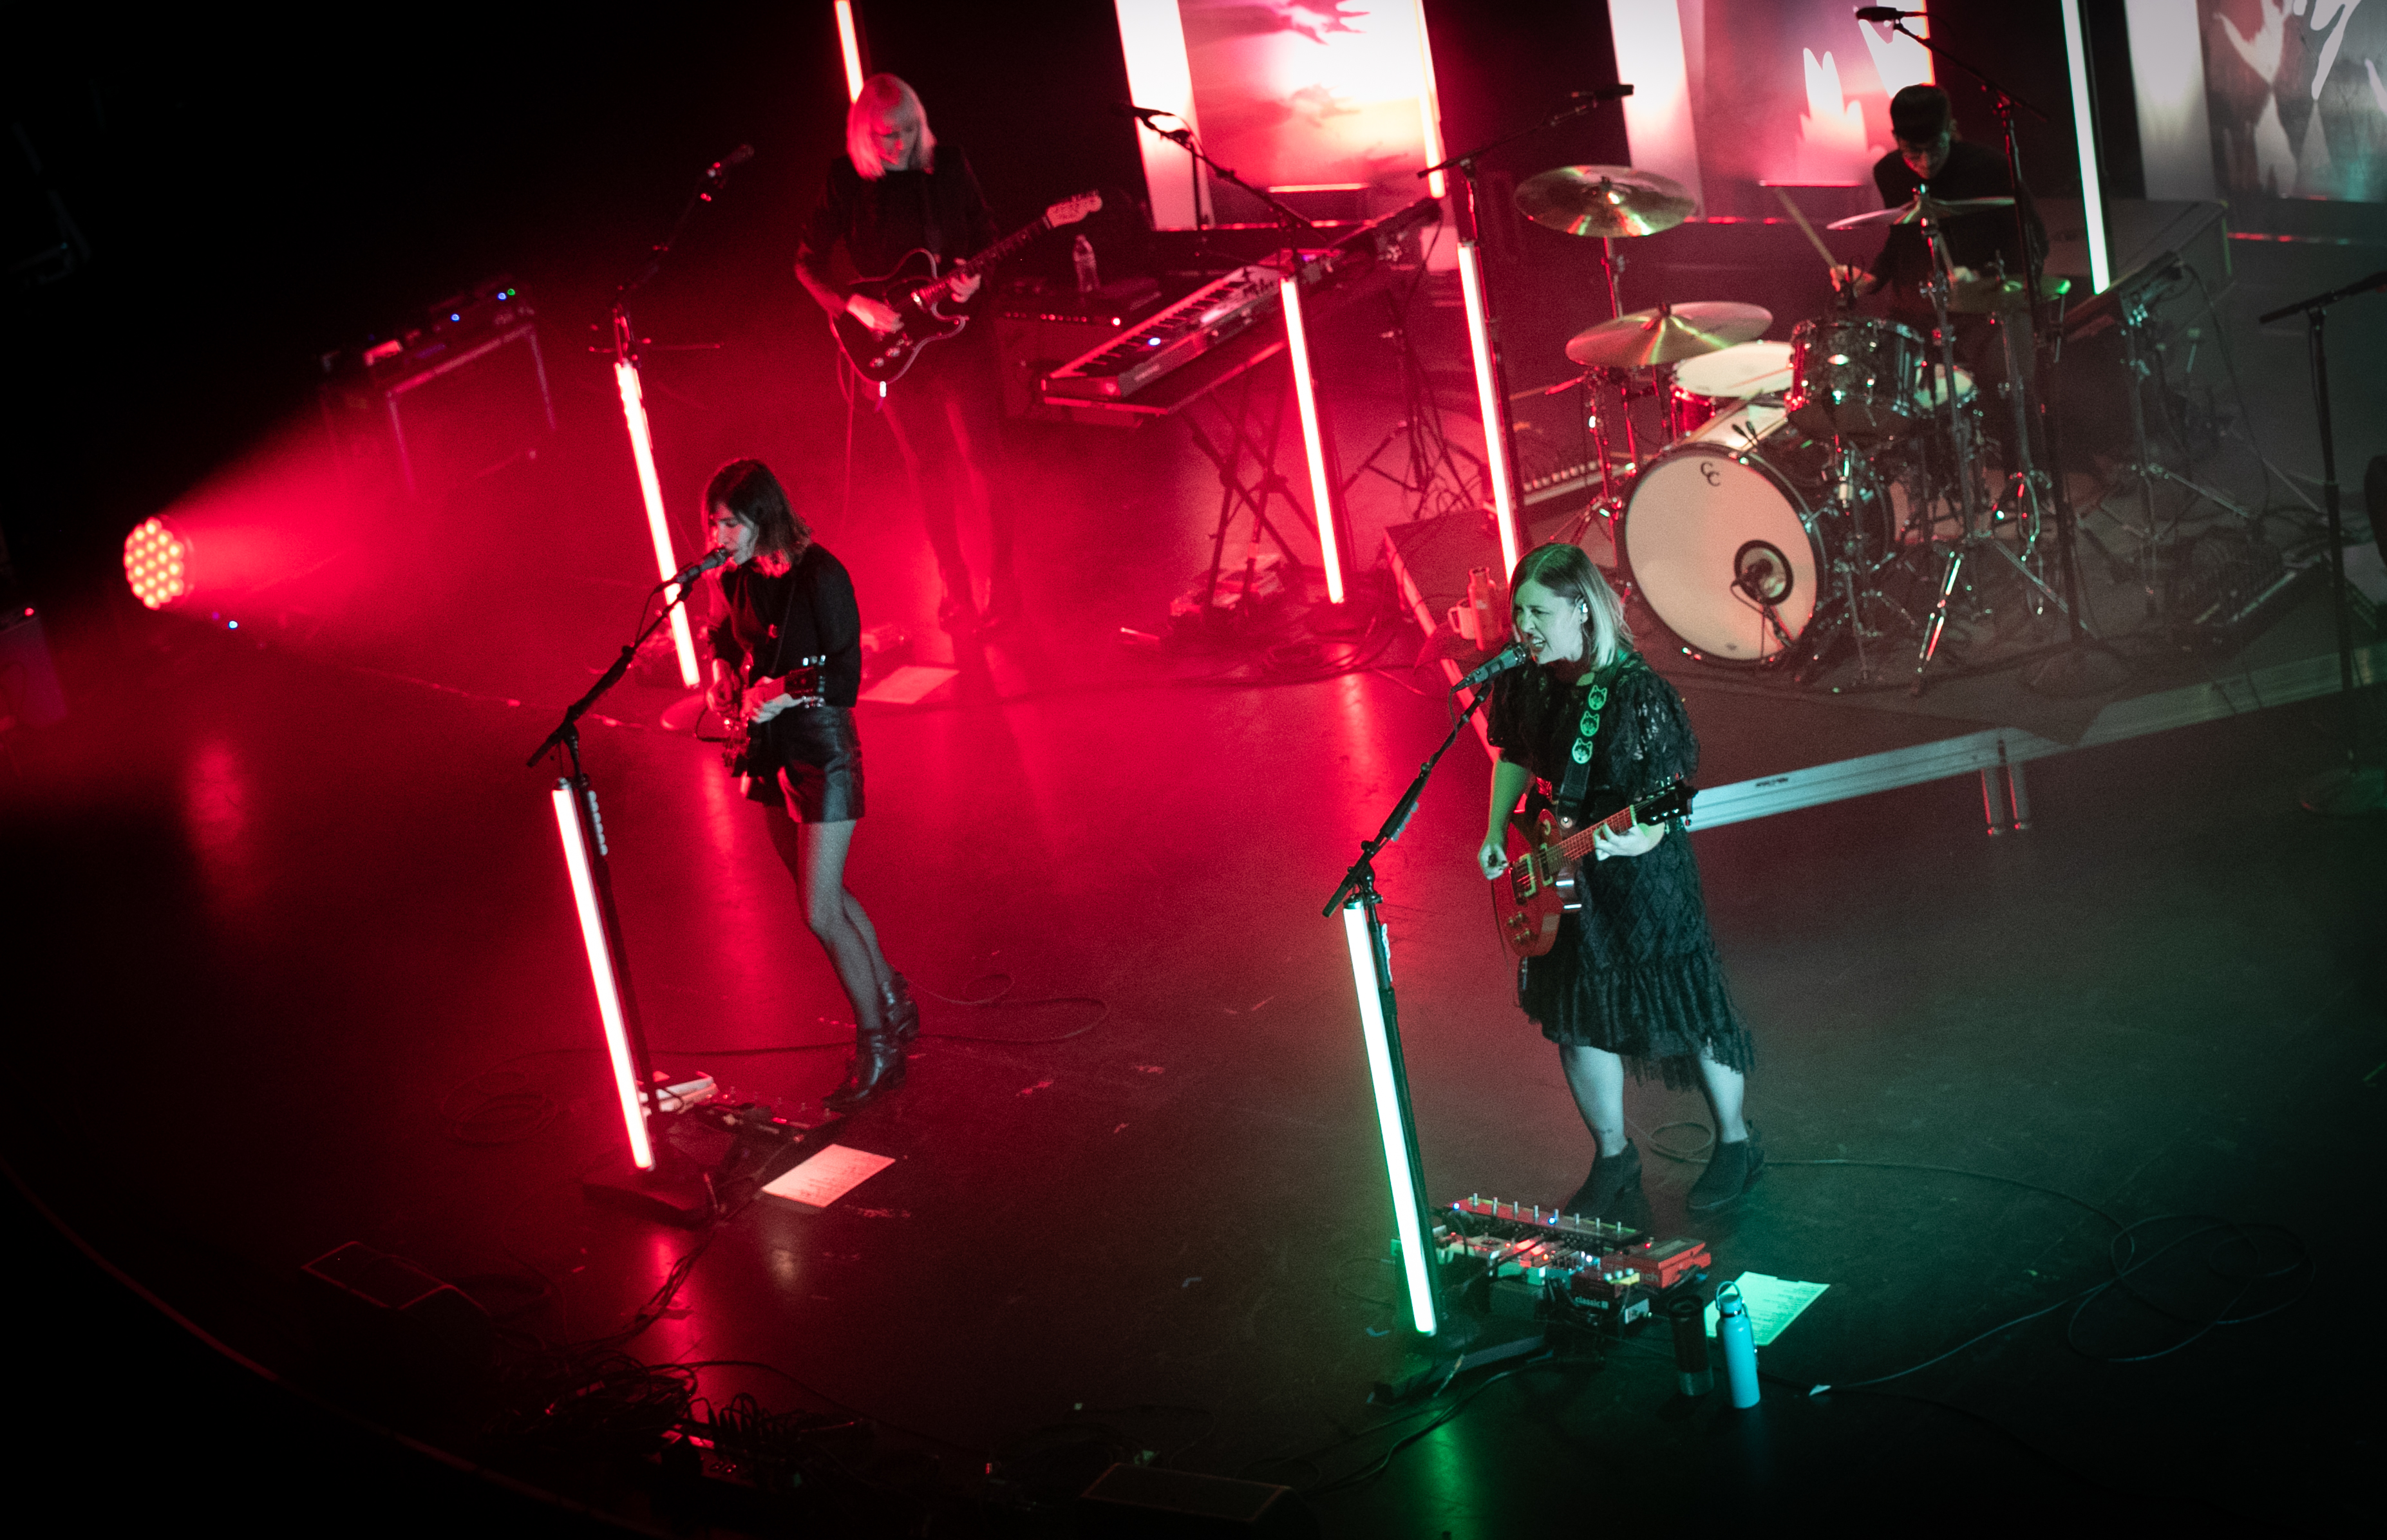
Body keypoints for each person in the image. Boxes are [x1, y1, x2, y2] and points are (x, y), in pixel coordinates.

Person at [1475, 543, 1760, 1215]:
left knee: (1686, 1005)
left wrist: (1646, 832)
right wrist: (1495, 831)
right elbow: (1513, 753)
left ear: (1582, 609)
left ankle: (1736, 1144)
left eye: (1538, 612)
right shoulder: (1526, 680)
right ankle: (1612, 1158)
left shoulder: (1637, 696)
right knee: (1573, 1018)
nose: (1524, 627)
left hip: (1640, 878)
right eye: (1518, 612)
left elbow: (1663, 798)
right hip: (1560, 866)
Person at [703, 458, 916, 1109]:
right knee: (819, 889)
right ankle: (892, 997)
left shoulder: (822, 576)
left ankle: (878, 1047)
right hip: (768, 751)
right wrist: (722, 674)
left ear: (761, 517)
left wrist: (779, 690)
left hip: (821, 750)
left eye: (728, 522)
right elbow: (721, 636)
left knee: (818, 911)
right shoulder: (732, 576)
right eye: (712, 521)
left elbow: (847, 678)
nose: (717, 535)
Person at [797, 73, 1017, 631]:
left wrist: (976, 277)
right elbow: (806, 261)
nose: (898, 145)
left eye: (908, 131)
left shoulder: (949, 164)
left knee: (985, 462)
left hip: (961, 337)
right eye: (885, 136)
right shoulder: (845, 178)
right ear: (863, 135)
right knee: (927, 466)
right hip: (894, 350)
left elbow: (985, 232)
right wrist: (854, 305)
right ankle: (954, 582)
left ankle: (1004, 582)